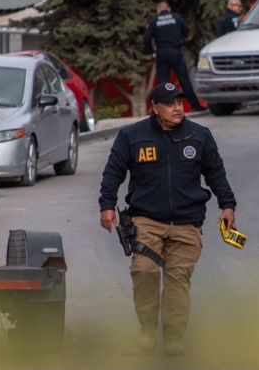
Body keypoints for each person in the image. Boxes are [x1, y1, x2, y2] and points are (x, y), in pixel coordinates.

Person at [99, 82, 237, 356]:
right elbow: (113, 172)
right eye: (170, 103)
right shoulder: (132, 136)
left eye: (180, 102)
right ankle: (148, 327)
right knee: (145, 271)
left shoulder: (199, 135)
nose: (178, 108)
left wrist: (228, 205)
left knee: (177, 278)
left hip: (187, 222)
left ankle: (174, 334)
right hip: (147, 221)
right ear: (155, 108)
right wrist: (107, 205)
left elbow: (215, 173)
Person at [143, 1, 206, 112]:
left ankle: (165, 109)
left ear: (158, 11)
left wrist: (151, 52)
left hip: (161, 53)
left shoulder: (154, 22)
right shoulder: (176, 18)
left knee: (164, 83)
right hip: (175, 52)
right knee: (184, 80)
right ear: (169, 9)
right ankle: (195, 106)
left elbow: (146, 40)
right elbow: (186, 31)